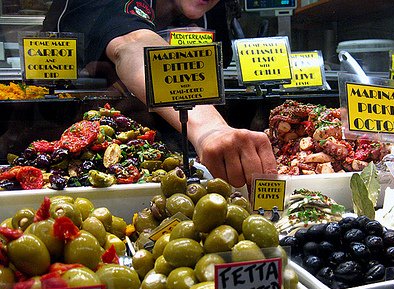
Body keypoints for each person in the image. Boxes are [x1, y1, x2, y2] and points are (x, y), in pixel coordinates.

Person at [41, 0, 277, 189]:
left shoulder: (207, 9)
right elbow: (132, 42)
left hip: (153, 151)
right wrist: (210, 129)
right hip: (65, 137)